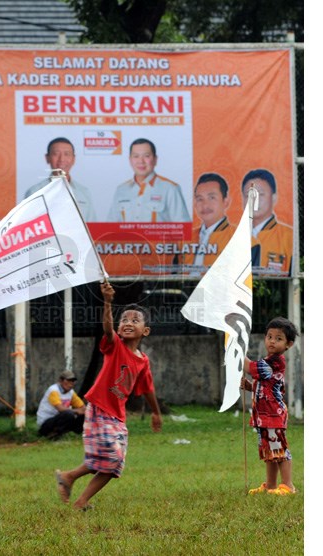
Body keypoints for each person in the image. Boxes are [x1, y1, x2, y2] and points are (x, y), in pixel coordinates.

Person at [54, 281, 163, 511]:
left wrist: (155, 412)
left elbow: (147, 388)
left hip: (117, 416)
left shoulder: (143, 361)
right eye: (124, 319)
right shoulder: (115, 345)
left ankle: (75, 489)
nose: (127, 323)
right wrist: (107, 302)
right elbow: (107, 329)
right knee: (109, 455)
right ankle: (70, 479)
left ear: (146, 331)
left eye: (135, 320)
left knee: (113, 465)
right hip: (99, 408)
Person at [240, 316, 298, 495]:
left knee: (279, 449)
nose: (272, 341)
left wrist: (236, 351)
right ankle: (271, 485)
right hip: (263, 415)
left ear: (288, 344)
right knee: (269, 453)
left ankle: (288, 485)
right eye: (269, 336)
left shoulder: (276, 361)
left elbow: (251, 368)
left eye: (278, 338)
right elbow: (266, 385)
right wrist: (251, 387)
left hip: (273, 415)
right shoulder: (268, 360)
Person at [106, 138, 190, 222]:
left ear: (155, 159)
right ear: (130, 160)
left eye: (146, 156)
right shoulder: (121, 190)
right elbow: (111, 225)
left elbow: (183, 227)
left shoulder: (170, 188)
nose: (141, 161)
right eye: (136, 156)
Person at [173, 172, 236, 276]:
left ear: (226, 201)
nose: (205, 205)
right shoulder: (184, 239)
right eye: (200, 199)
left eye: (212, 198)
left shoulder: (239, 237)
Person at [24, 137, 97, 222]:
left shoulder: (84, 192)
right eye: (56, 154)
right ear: (47, 158)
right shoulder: (34, 192)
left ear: (73, 159)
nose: (62, 159)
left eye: (67, 154)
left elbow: (92, 225)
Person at [241, 169, 293, 275]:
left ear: (274, 198)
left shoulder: (288, 236)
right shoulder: (231, 235)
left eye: (260, 194)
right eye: (249, 195)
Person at [36, 370, 86, 440]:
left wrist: (84, 411)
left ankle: (76, 435)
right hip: (46, 423)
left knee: (85, 414)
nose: (71, 383)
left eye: (72, 381)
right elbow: (60, 408)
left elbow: (82, 407)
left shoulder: (71, 392)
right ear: (61, 381)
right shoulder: (53, 390)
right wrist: (77, 411)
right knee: (68, 414)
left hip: (59, 421)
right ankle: (51, 436)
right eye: (68, 380)